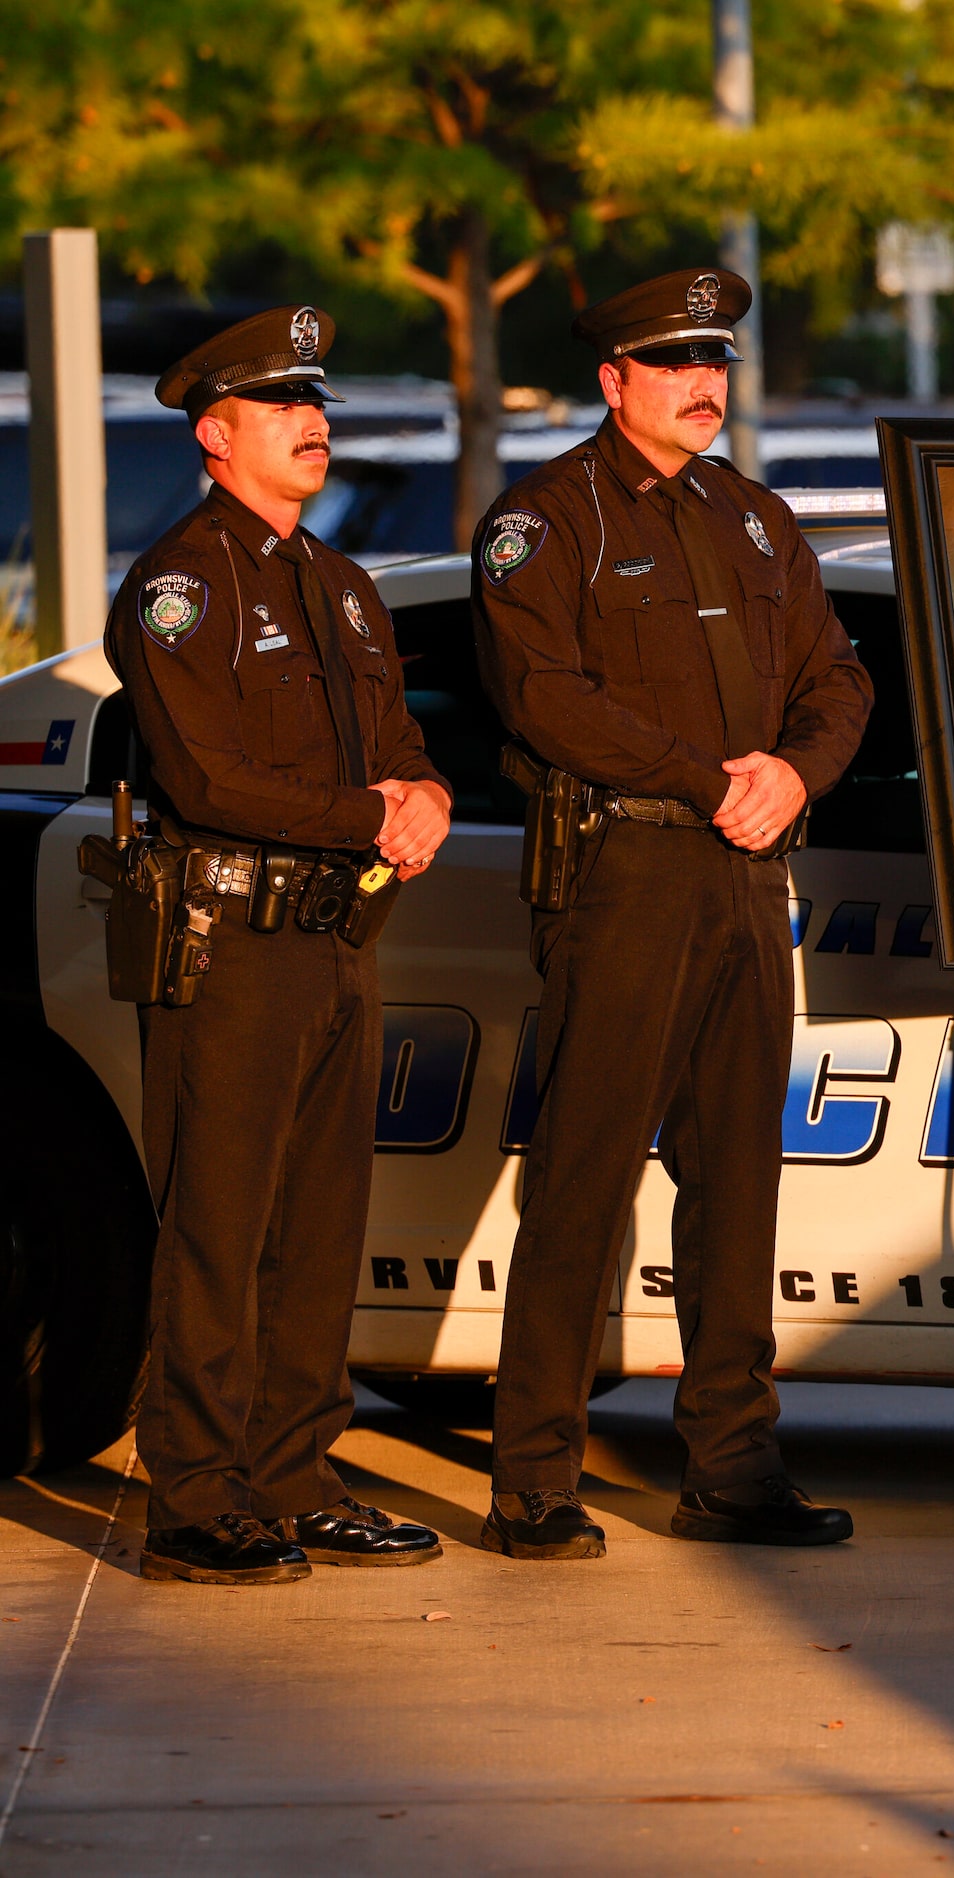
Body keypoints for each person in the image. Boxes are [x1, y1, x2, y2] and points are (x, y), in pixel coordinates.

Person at [471, 267, 872, 1559]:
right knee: (584, 1178)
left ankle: (733, 1467)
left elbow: (840, 676)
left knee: (739, 1185)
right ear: (614, 380)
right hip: (624, 873)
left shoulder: (755, 522)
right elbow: (548, 700)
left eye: (718, 361)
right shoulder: (548, 523)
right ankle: (533, 1475)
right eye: (676, 362)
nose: (707, 383)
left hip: (748, 879)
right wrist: (713, 779)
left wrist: (794, 772)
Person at [110, 307, 452, 1584]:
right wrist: (371, 813)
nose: (315, 424)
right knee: (217, 1229)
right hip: (230, 943)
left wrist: (423, 796)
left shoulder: (339, 581)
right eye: (283, 406)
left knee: (318, 1230)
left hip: (334, 941)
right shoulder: (180, 586)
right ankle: (195, 1500)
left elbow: (398, 744)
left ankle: (298, 1477)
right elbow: (206, 779)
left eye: (317, 403)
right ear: (216, 432)